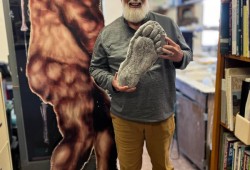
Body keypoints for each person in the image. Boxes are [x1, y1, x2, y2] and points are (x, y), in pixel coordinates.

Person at [89, 0, 193, 169]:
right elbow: (95, 68)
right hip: (125, 117)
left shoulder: (167, 24)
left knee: (163, 166)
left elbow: (187, 55)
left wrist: (180, 57)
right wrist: (112, 82)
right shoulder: (107, 33)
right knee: (129, 167)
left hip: (160, 114)